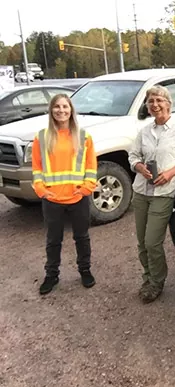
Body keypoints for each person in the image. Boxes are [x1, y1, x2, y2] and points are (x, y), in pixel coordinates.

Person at [128, 85, 175, 304]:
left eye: (158, 100)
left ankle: (157, 281)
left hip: (163, 193)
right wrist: (139, 167)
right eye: (150, 102)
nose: (154, 105)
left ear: (168, 103)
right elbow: (133, 155)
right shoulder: (144, 131)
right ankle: (147, 277)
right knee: (141, 242)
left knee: (152, 242)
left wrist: (170, 173)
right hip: (141, 191)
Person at [32, 93, 97, 295]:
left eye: (65, 107)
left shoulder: (84, 136)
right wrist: (42, 190)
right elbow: (37, 168)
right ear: (51, 111)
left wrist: (86, 187)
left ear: (71, 110)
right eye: (57, 107)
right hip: (52, 199)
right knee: (53, 240)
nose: (61, 110)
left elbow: (91, 166)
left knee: (82, 237)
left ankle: (85, 271)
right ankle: (51, 275)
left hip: (78, 197)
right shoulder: (42, 137)